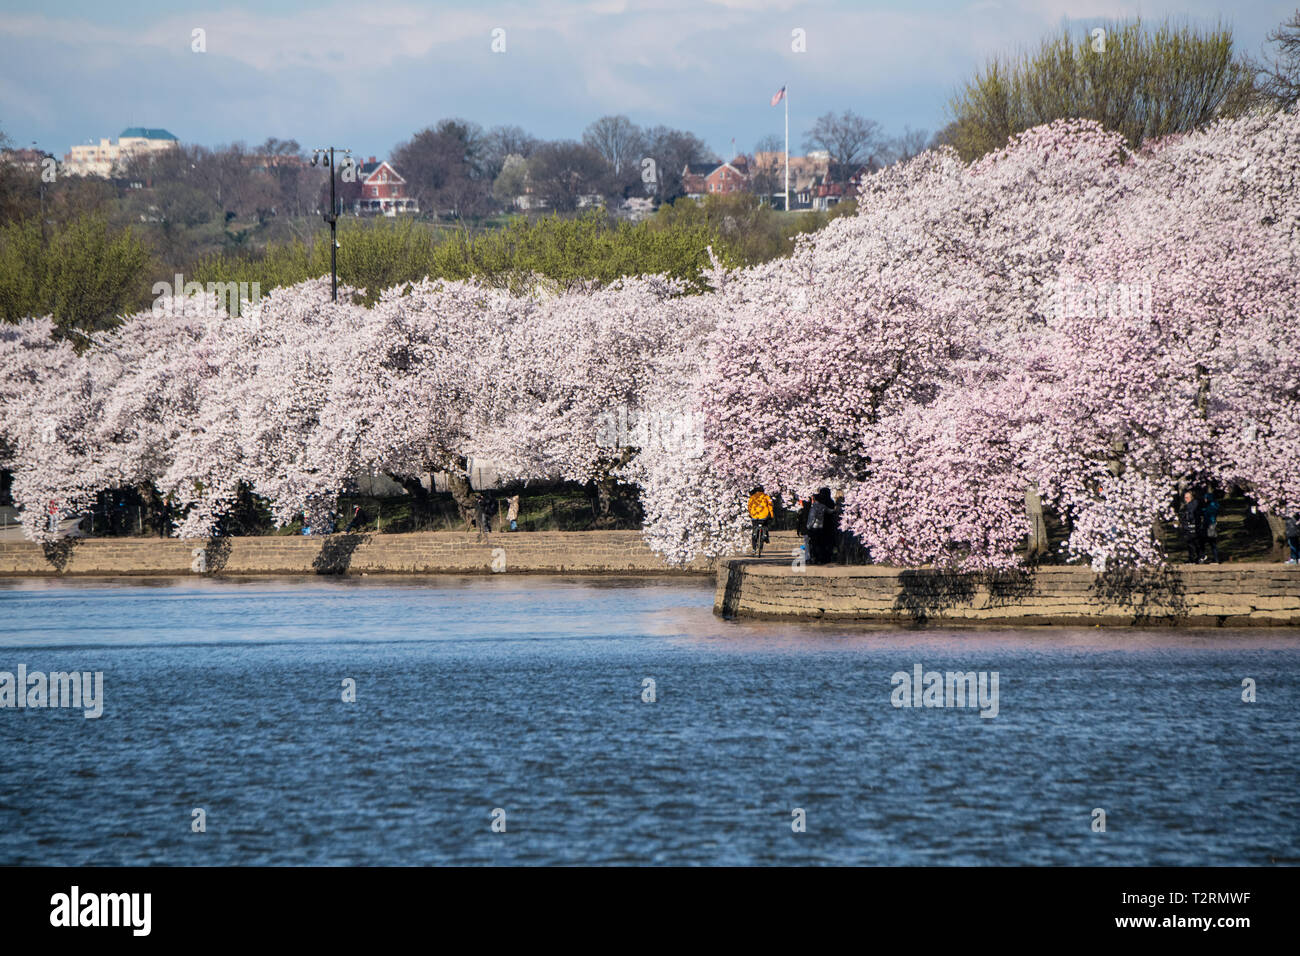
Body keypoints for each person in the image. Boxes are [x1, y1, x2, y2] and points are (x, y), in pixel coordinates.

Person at [806, 487, 836, 565]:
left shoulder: (815, 506)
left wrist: (808, 527)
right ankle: (825, 558)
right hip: (828, 527)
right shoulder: (829, 503)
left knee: (816, 543)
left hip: (817, 527)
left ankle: (817, 558)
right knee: (825, 543)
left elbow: (812, 518)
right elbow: (831, 511)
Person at [746, 485, 774, 553]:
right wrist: (771, 515)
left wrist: (750, 514)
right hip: (764, 516)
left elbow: (749, 507)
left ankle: (754, 548)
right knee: (765, 526)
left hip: (754, 516)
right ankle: (765, 536)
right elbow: (770, 505)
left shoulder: (752, 497)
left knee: (754, 529)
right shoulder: (766, 496)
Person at [1179, 490, 1204, 564]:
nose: (1185, 499)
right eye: (1185, 498)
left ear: (1191, 498)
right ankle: (1193, 558)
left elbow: (1191, 516)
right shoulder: (1187, 506)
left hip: (1192, 526)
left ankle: (1198, 557)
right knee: (1190, 543)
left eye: (1187, 498)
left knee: (1194, 543)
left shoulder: (1193, 505)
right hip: (1188, 527)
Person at [1202, 491, 1220, 563]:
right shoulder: (1212, 505)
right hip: (1210, 524)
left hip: (1210, 525)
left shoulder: (1211, 506)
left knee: (1211, 542)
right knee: (1212, 543)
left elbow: (1208, 513)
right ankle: (1215, 558)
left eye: (1206, 498)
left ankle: (1215, 559)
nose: (1204, 500)